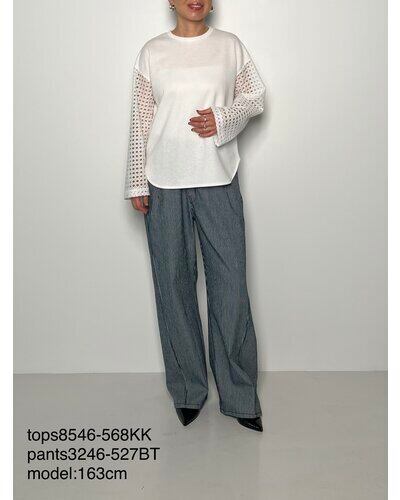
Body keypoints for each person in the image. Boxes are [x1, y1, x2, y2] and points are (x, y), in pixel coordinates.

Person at [124, 0, 266, 432]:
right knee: (173, 286)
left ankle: (239, 396)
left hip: (218, 178)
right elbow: (141, 120)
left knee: (230, 287)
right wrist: (136, 180)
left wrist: (223, 119)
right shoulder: (152, 52)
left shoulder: (230, 46)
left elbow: (255, 97)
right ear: (170, 1)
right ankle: (188, 390)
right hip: (163, 181)